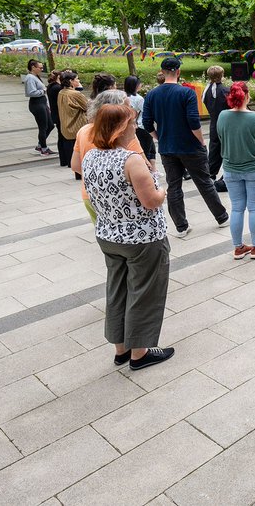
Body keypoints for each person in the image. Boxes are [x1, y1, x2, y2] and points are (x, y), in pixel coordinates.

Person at [81, 104, 175, 371]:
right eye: (132, 123)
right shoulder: (130, 160)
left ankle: (121, 349)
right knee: (144, 292)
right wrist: (163, 191)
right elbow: (150, 201)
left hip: (108, 234)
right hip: (141, 238)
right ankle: (140, 353)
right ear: (120, 129)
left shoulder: (91, 157)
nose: (135, 126)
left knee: (117, 289)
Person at [142, 56, 229, 238]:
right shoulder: (186, 93)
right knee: (204, 182)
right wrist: (201, 141)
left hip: (167, 147)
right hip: (190, 146)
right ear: (178, 72)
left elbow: (147, 123)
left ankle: (181, 227)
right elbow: (193, 121)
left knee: (174, 187)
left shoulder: (151, 95)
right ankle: (221, 217)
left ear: (163, 72)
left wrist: (160, 137)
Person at [71, 90, 146, 223]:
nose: (131, 109)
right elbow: (144, 167)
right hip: (123, 197)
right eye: (127, 106)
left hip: (91, 194)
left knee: (105, 234)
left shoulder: (84, 131)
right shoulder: (125, 135)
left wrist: (101, 178)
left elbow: (76, 165)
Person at [218, 82, 255, 260]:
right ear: (247, 96)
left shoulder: (222, 116)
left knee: (237, 208)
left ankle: (238, 247)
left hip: (231, 169)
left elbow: (220, 137)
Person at [202, 65, 230, 192]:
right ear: (221, 76)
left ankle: (211, 173)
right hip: (226, 124)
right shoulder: (225, 91)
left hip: (213, 123)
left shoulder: (206, 90)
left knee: (214, 150)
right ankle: (228, 174)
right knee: (227, 150)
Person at [57, 71, 88, 173]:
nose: (79, 81)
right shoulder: (75, 94)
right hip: (77, 125)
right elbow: (87, 106)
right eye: (77, 79)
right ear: (71, 81)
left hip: (66, 126)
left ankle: (74, 169)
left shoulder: (61, 92)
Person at [22, 59, 54, 156]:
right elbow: (30, 93)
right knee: (43, 127)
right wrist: (43, 91)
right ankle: (43, 148)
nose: (41, 69)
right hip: (37, 104)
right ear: (33, 67)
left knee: (51, 125)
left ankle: (40, 145)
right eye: (39, 67)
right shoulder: (30, 78)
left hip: (42, 103)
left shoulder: (35, 76)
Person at [123, 75, 155, 161]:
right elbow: (147, 111)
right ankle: (147, 171)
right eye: (139, 84)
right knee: (146, 152)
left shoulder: (122, 97)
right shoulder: (139, 99)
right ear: (135, 86)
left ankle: (153, 171)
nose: (141, 85)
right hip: (141, 127)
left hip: (129, 127)